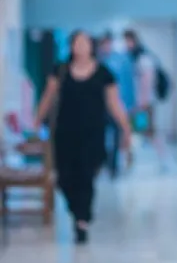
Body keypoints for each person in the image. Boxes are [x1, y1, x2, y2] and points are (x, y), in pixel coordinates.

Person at [34, 31, 133, 244]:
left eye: (85, 43)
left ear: (91, 46)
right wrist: (36, 121)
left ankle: (82, 220)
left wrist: (126, 128)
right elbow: (48, 98)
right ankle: (76, 211)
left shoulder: (104, 73)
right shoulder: (60, 70)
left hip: (93, 135)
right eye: (77, 43)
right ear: (71, 46)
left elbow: (114, 103)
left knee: (86, 177)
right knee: (64, 179)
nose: (80, 47)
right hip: (64, 134)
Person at [98, 31, 135, 178]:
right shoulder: (98, 62)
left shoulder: (122, 61)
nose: (106, 46)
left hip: (118, 105)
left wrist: (129, 105)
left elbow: (128, 85)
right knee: (101, 136)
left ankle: (113, 167)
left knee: (117, 136)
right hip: (101, 107)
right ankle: (103, 163)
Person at [123, 29, 157, 139]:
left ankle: (164, 155)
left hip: (143, 103)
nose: (126, 45)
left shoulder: (143, 58)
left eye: (127, 41)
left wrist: (143, 102)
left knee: (148, 132)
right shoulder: (132, 58)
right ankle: (129, 156)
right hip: (136, 103)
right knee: (133, 132)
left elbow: (147, 80)